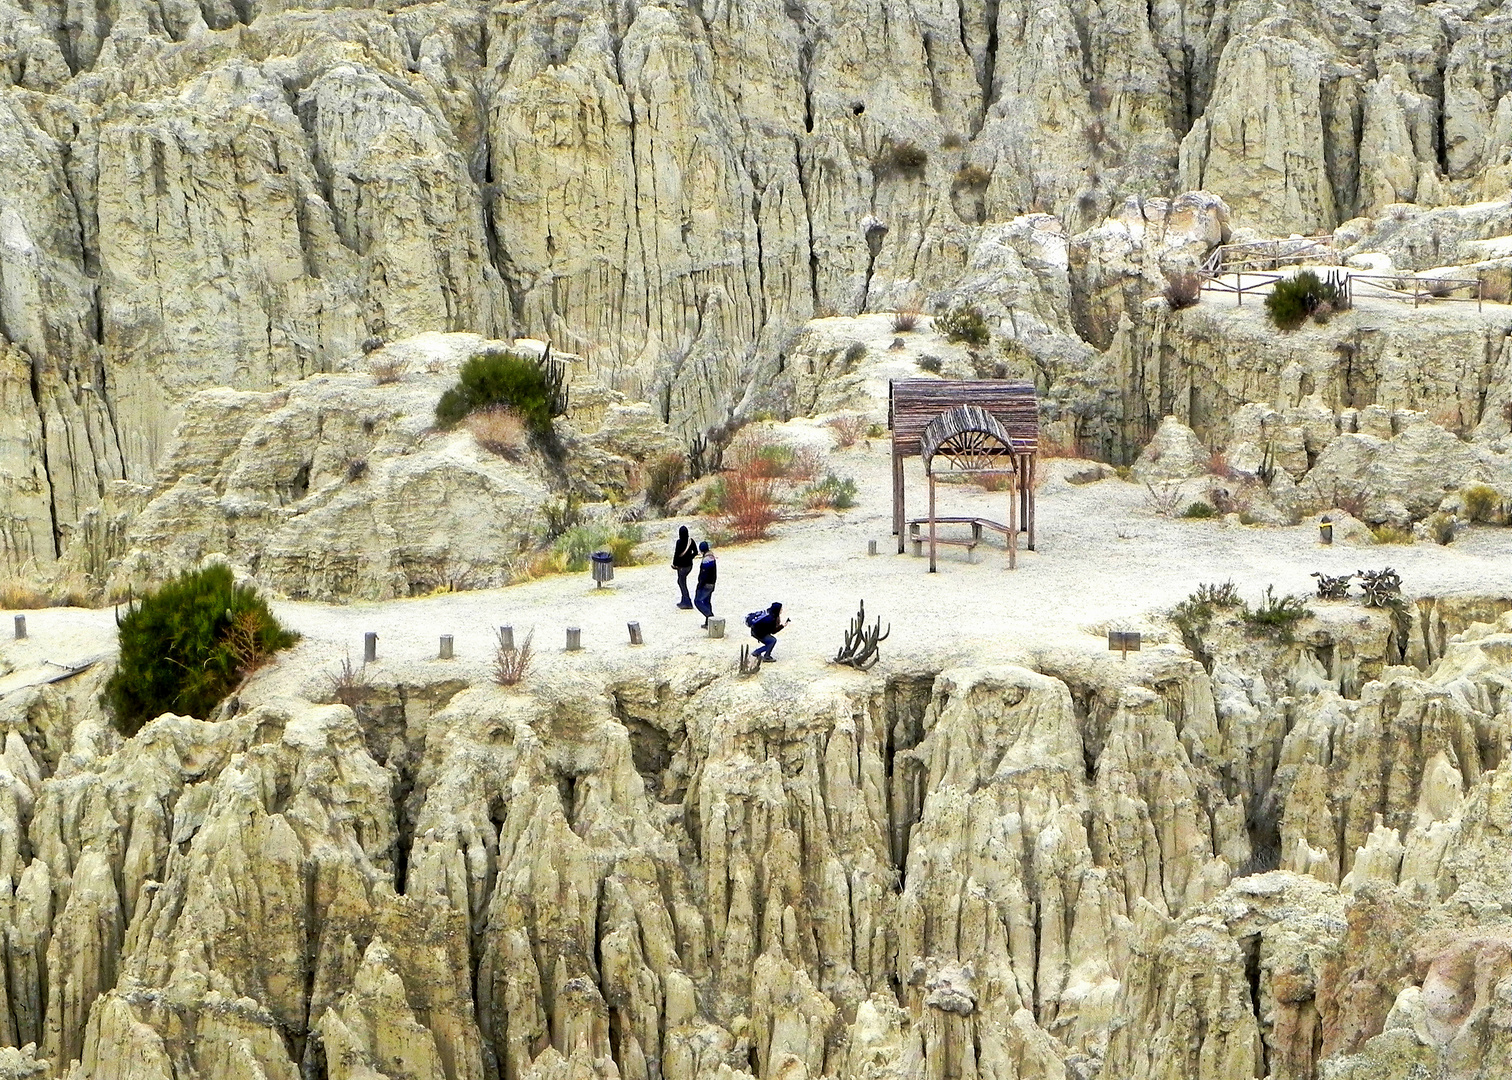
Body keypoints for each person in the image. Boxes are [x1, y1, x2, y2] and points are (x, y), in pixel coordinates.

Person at [672, 525, 697, 608]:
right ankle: (684, 600)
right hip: (689, 565)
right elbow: (696, 552)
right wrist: (690, 558)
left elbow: (676, 554)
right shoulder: (691, 541)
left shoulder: (679, 542)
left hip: (681, 566)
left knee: (681, 583)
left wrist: (674, 564)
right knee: (681, 582)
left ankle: (687, 602)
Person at [694, 541, 717, 626]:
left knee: (698, 601)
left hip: (706, 584)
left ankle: (710, 617)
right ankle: (708, 623)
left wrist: (699, 585)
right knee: (707, 602)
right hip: (712, 583)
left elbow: (704, 575)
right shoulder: (712, 557)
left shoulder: (706, 560)